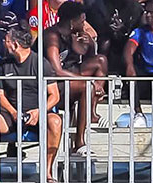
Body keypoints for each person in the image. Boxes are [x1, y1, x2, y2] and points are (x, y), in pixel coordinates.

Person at [0, 26, 62, 181]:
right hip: (11, 113)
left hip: (38, 114)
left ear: (15, 45)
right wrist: (13, 112)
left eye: (6, 40)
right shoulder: (4, 64)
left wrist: (39, 111)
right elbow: (0, 95)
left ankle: (47, 172)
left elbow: (55, 95)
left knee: (55, 121)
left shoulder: (40, 63)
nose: (4, 43)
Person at [43, 3, 106, 156]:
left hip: (70, 77)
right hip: (51, 84)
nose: (84, 24)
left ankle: (92, 110)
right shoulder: (52, 36)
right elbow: (57, 70)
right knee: (87, 86)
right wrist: (91, 82)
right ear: (72, 22)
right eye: (82, 21)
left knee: (101, 60)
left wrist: (89, 45)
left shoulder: (74, 35)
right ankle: (79, 143)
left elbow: (86, 59)